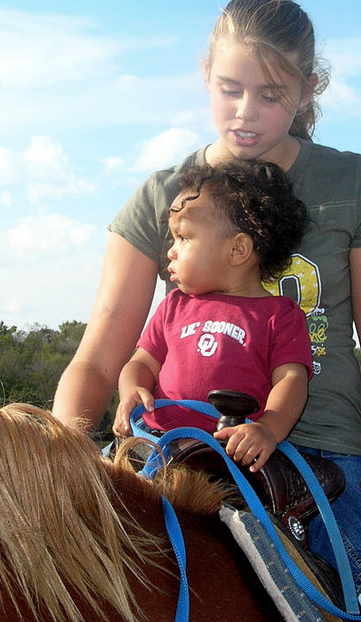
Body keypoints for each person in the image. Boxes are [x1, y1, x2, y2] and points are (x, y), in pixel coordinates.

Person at [53, 0, 361, 621]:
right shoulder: (160, 199)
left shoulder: (352, 186)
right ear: (206, 76)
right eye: (230, 89)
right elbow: (101, 354)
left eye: (271, 95)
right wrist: (64, 455)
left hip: (323, 451)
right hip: (177, 442)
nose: (246, 112)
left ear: (309, 90)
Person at [112, 159, 312, 473]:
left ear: (237, 250)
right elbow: (140, 363)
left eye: (184, 238)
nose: (171, 251)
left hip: (226, 454)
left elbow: (291, 380)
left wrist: (268, 429)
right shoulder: (174, 306)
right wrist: (132, 389)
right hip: (155, 441)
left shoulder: (280, 316)